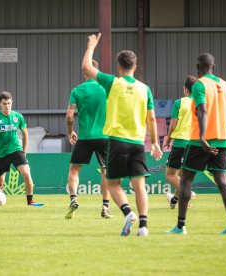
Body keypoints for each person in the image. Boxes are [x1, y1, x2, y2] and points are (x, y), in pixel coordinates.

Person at [82, 33, 163, 236]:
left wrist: (91, 46)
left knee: (112, 183)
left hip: (117, 142)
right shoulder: (145, 89)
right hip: (137, 142)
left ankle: (128, 213)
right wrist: (155, 143)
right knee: (139, 185)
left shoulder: (113, 83)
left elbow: (86, 68)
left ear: (119, 67)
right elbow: (152, 119)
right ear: (135, 67)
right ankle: (143, 226)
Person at [166, 53, 226, 234]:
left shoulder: (199, 85)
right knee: (223, 181)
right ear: (213, 67)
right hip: (222, 140)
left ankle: (180, 226)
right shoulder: (225, 85)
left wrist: (203, 137)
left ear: (198, 68)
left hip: (200, 142)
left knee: (186, 180)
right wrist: (219, 123)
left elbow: (203, 110)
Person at [65, 60, 113, 219]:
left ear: (84, 72)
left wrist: (71, 131)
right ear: (96, 71)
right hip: (104, 136)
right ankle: (105, 207)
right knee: (106, 171)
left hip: (85, 137)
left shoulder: (77, 90)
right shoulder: (106, 88)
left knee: (74, 170)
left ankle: (73, 199)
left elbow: (70, 114)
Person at [0, 91, 41, 206]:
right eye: (4, 104)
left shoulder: (18, 117)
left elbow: (25, 133)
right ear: (0, 103)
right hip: (1, 154)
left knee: (26, 173)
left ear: (12, 102)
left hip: (16, 150)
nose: (7, 106)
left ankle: (30, 201)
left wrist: (24, 152)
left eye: (9, 103)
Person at [163, 75, 198, 209]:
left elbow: (172, 125)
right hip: (195, 144)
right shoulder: (200, 103)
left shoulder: (179, 102)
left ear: (185, 89)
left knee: (170, 175)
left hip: (181, 143)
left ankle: (188, 193)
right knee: (184, 176)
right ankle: (175, 200)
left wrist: (167, 140)